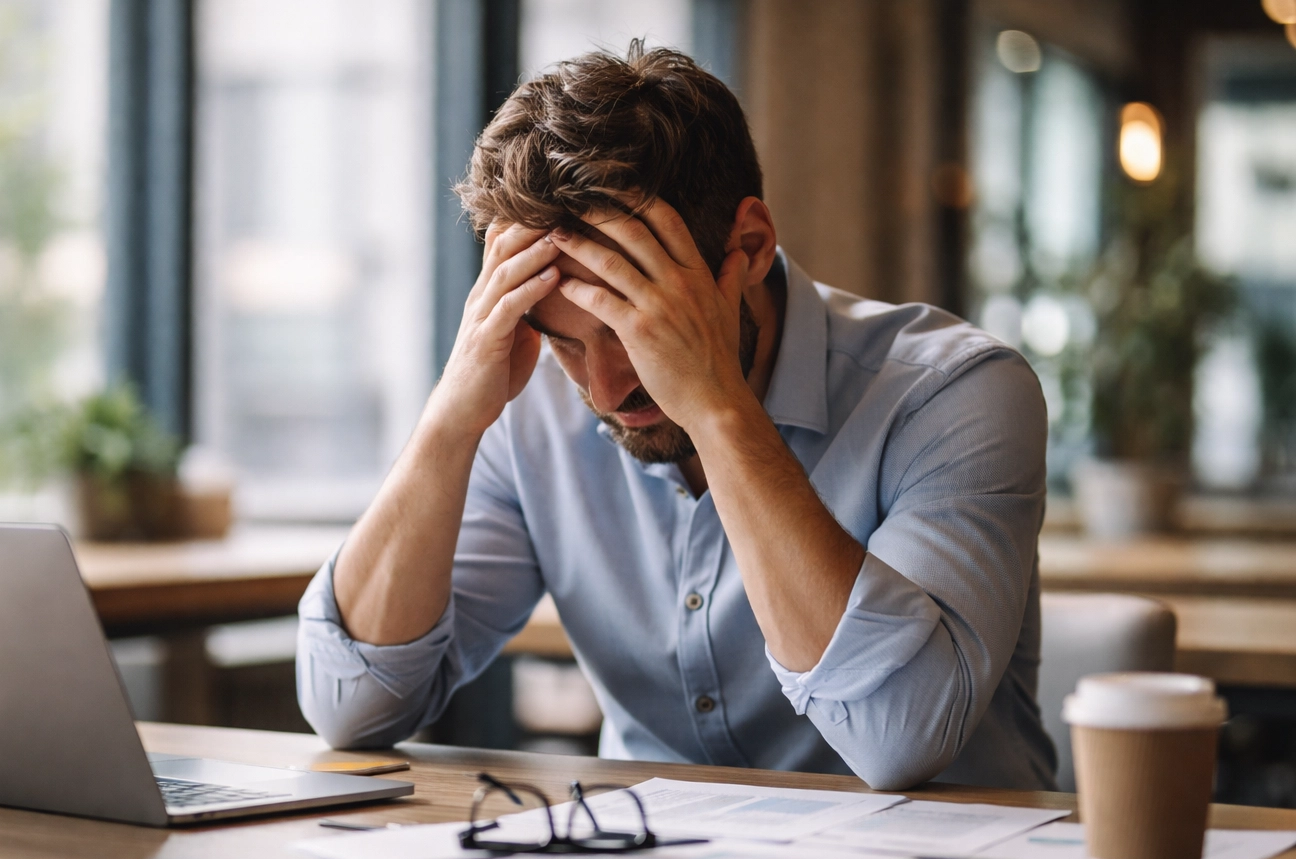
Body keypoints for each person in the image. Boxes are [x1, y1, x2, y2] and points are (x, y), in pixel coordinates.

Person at [296, 44, 1055, 791]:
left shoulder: (955, 392)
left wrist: (717, 407)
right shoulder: (529, 409)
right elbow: (352, 705)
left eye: (634, 328)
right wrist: (450, 421)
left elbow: (899, 735)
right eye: (564, 340)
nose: (604, 387)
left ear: (749, 246)